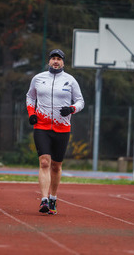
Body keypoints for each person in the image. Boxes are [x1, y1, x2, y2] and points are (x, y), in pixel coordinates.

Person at [26, 49, 84, 215]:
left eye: (59, 59)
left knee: (56, 166)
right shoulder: (38, 78)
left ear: (63, 63)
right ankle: (44, 199)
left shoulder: (70, 80)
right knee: (44, 162)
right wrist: (31, 114)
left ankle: (53, 197)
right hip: (42, 126)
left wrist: (71, 109)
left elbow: (80, 101)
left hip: (62, 128)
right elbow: (30, 97)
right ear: (49, 61)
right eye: (53, 59)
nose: (56, 61)